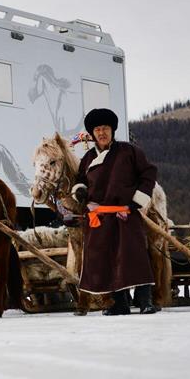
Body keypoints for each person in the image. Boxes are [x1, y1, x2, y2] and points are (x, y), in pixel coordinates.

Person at [71, 108, 159, 315]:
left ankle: (145, 301)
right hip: (99, 218)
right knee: (107, 259)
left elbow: (149, 173)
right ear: (92, 134)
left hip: (125, 213)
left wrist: (136, 201)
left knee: (134, 256)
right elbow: (80, 182)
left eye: (105, 128)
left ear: (112, 130)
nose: (101, 133)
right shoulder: (88, 158)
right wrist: (81, 193)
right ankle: (120, 304)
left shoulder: (129, 152)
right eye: (97, 129)